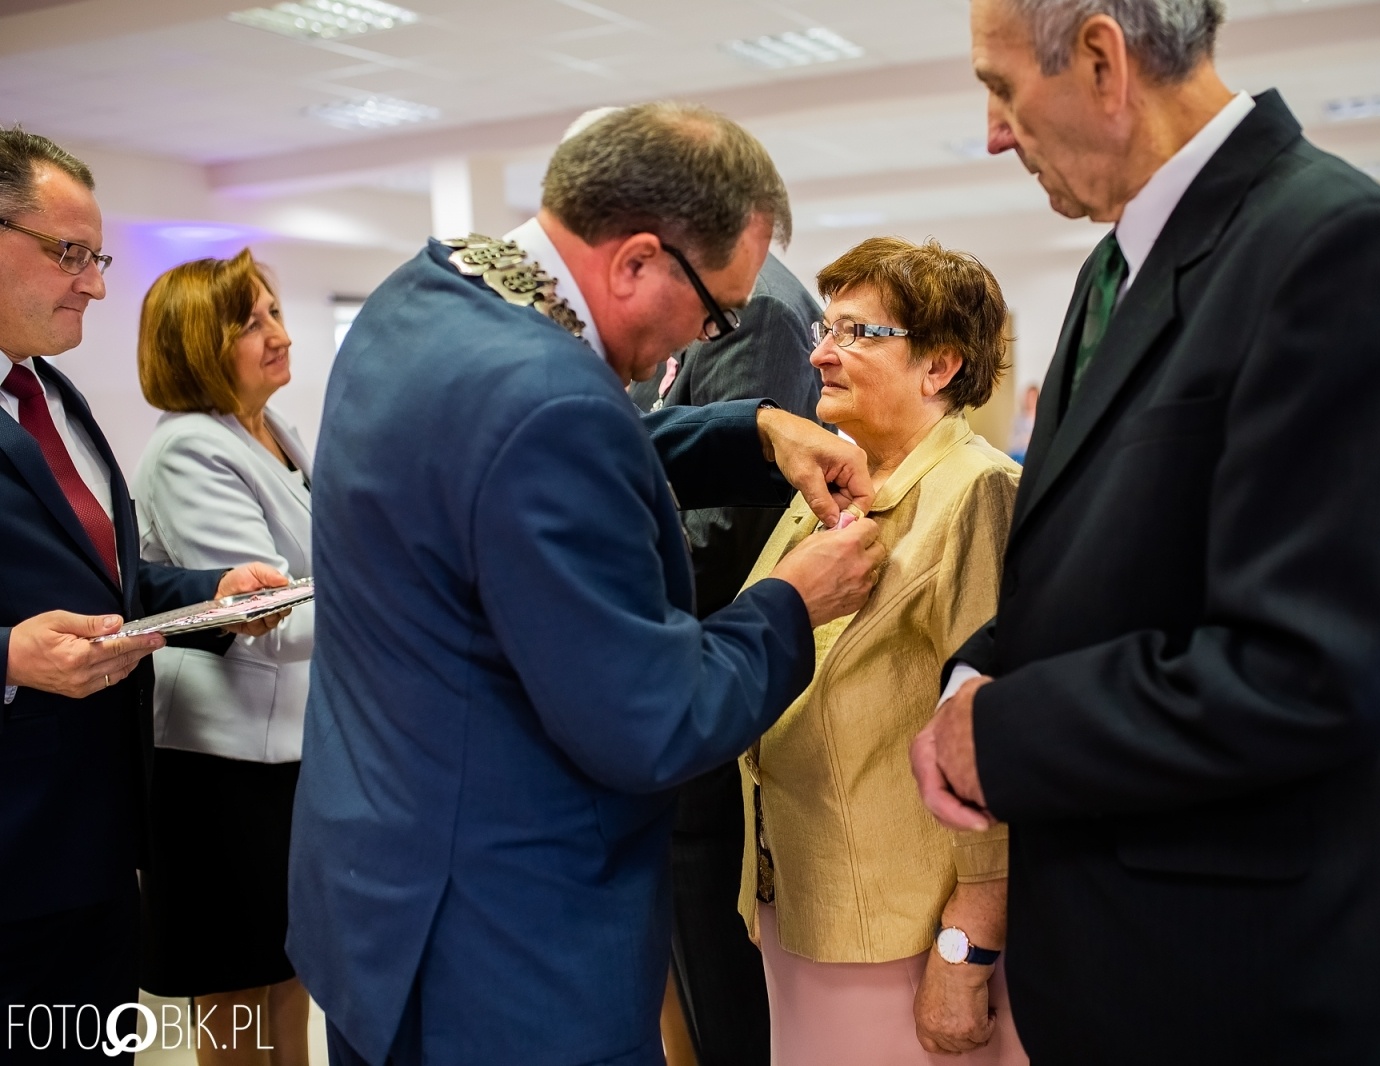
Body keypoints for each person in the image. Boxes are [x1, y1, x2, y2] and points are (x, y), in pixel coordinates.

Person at [911, 2, 1380, 1064]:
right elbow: (1098, 561)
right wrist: (973, 673)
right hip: (1112, 958)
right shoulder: (1111, 269)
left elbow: (1307, 671)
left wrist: (1002, 734)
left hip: (1246, 985)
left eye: (998, 88)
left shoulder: (1332, 245)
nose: (993, 131)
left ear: (1098, 58)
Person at [287, 101, 885, 1066]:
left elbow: (503, 464)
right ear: (637, 260)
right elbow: (653, 721)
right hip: (506, 942)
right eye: (717, 309)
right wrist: (793, 601)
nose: (711, 333)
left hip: (378, 892)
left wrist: (752, 427)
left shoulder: (426, 295)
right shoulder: (550, 404)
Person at [0, 127, 288, 1061]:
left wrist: (211, 591)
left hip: (95, 830)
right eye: (68, 254)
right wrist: (4, 654)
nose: (93, 283)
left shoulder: (55, 397)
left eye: (96, 255)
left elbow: (109, 584)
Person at [738, 237, 1026, 1065]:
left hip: (900, 929)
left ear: (940, 366)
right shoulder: (838, 483)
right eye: (826, 329)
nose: (820, 353)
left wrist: (966, 950)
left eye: (857, 333)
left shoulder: (976, 493)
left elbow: (988, 740)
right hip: (804, 902)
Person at [629, 215, 823, 1066]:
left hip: (711, 660)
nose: (831, 358)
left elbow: (723, 535)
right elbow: (643, 438)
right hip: (680, 664)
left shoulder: (764, 309)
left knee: (718, 973)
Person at [132, 248, 315, 1066]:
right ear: (199, 345)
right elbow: (264, 616)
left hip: (295, 751)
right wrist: (389, 599)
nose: (277, 333)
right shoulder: (188, 450)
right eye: (251, 323)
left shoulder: (279, 431)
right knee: (236, 996)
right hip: (221, 762)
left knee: (295, 970)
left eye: (274, 312)